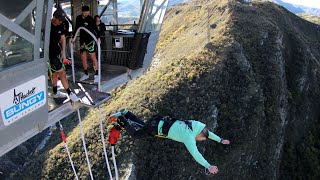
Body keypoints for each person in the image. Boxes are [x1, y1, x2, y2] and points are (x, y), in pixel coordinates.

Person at [108, 109, 230, 175]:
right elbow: (196, 154)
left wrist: (220, 140)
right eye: (201, 139)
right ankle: (121, 118)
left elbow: (207, 133)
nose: (200, 140)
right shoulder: (189, 137)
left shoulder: (197, 125)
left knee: (143, 126)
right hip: (156, 129)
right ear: (198, 135)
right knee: (135, 135)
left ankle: (126, 113)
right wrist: (208, 166)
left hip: (159, 121)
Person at [49, 9, 80, 102]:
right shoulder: (47, 27)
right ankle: (70, 93)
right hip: (50, 55)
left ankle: (55, 92)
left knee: (55, 73)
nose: (61, 22)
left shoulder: (61, 25)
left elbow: (63, 38)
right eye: (59, 20)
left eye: (62, 20)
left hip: (58, 53)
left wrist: (63, 53)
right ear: (54, 18)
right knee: (62, 73)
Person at [74, 5, 100, 82]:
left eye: (87, 13)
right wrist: (73, 37)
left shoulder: (91, 19)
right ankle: (86, 73)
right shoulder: (78, 18)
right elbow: (76, 28)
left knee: (93, 57)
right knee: (83, 57)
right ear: (82, 12)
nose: (86, 14)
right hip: (82, 40)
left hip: (90, 40)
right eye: (84, 13)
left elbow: (96, 30)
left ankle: (97, 74)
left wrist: (98, 38)